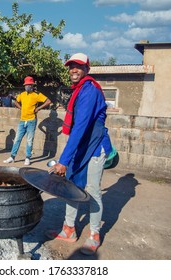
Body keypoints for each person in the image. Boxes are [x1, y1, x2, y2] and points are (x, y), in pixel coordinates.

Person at [46, 53, 112, 255]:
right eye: (71, 66)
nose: (74, 70)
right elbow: (77, 129)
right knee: (72, 187)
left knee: (92, 191)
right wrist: (67, 157)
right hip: (81, 145)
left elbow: (81, 126)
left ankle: (94, 234)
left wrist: (64, 160)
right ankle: (69, 229)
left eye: (78, 66)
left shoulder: (89, 91)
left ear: (87, 69)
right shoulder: (79, 90)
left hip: (93, 146)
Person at [3, 76, 51, 165]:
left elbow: (48, 101)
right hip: (22, 121)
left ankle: (27, 158)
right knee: (17, 139)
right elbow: (16, 102)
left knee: (29, 140)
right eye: (26, 85)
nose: (27, 86)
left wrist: (38, 108)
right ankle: (12, 157)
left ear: (32, 86)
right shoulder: (22, 95)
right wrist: (21, 108)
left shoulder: (37, 95)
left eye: (29, 85)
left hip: (31, 120)